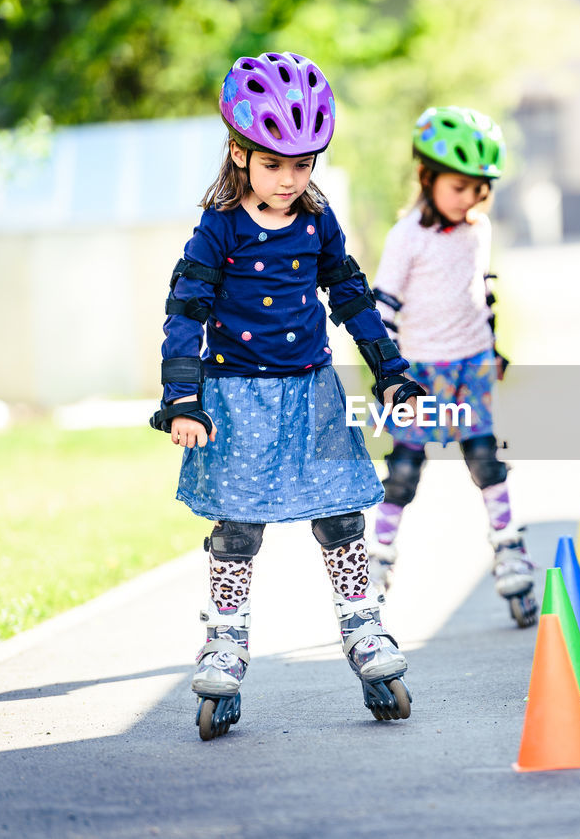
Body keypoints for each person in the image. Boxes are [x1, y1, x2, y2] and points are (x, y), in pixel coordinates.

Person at [150, 51, 425, 738]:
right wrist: (183, 398)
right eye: (275, 164)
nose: (289, 179)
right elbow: (186, 310)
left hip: (313, 394)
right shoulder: (219, 228)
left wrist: (389, 369)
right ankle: (226, 641)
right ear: (241, 153)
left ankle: (365, 628)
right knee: (239, 529)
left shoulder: (316, 219)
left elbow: (352, 294)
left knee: (340, 520)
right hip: (236, 400)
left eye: (303, 164)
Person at [367, 105, 538, 628]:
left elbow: (481, 293)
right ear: (427, 176)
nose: (472, 198)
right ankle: (374, 560)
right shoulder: (405, 237)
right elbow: (383, 309)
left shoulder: (477, 229)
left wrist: (495, 348)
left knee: (486, 460)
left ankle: (508, 549)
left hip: (472, 368)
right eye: (460, 187)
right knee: (404, 470)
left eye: (480, 189)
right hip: (419, 375)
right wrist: (388, 374)